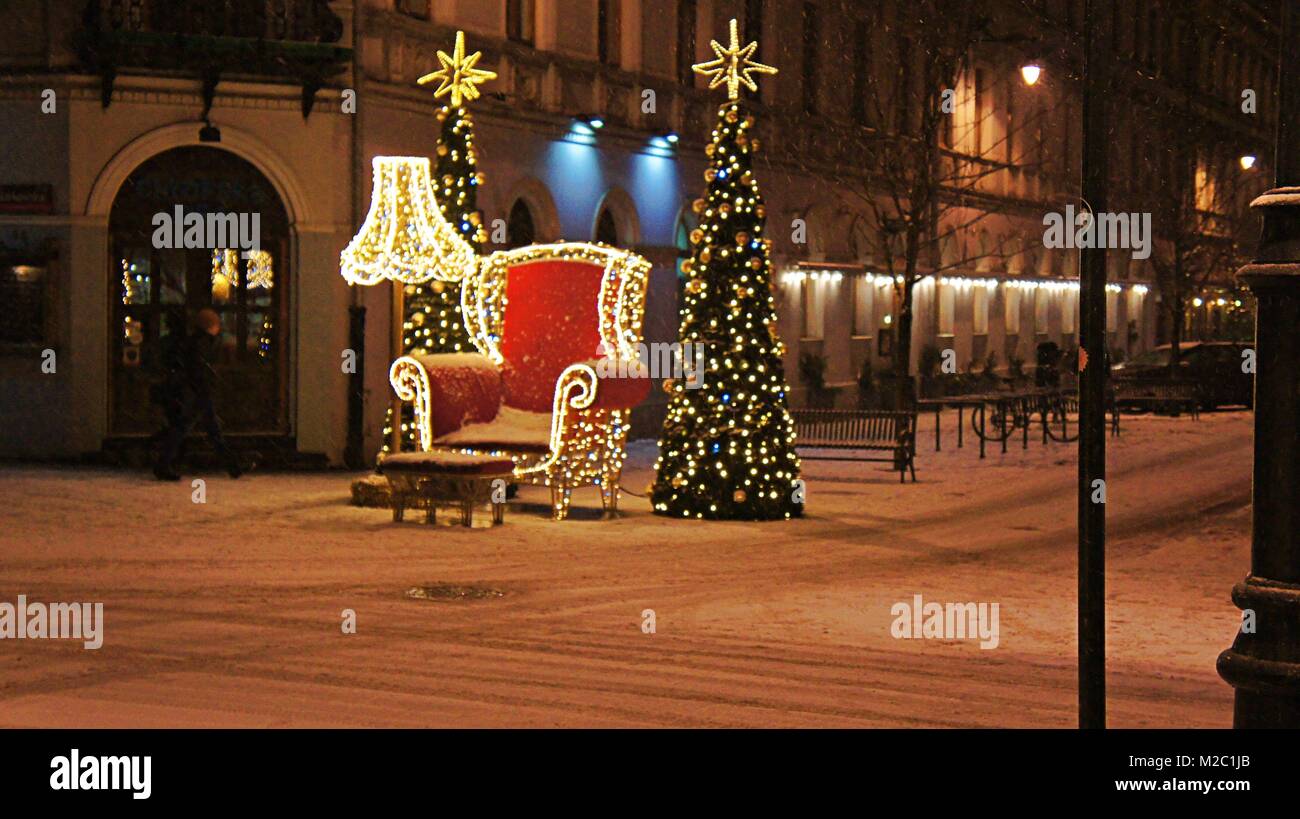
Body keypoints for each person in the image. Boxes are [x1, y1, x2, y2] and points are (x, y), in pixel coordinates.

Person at [153, 308, 242, 481]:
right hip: (198, 392)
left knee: (196, 428)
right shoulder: (203, 343)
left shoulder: (194, 341)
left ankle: (232, 465)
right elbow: (199, 369)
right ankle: (232, 465)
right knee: (197, 429)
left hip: (195, 391)